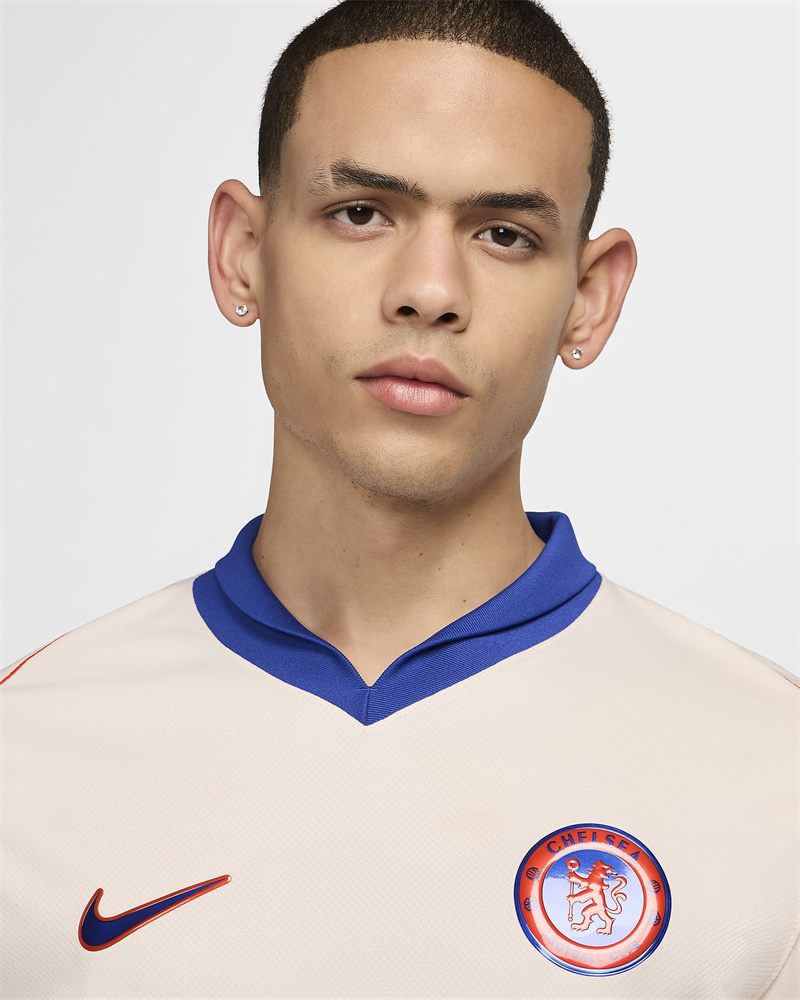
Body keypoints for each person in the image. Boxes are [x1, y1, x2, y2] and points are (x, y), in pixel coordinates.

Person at [2, 1, 797, 997]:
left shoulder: (774, 773)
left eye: (503, 233)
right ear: (242, 249)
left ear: (589, 300)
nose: (429, 290)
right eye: (361, 213)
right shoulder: (24, 751)